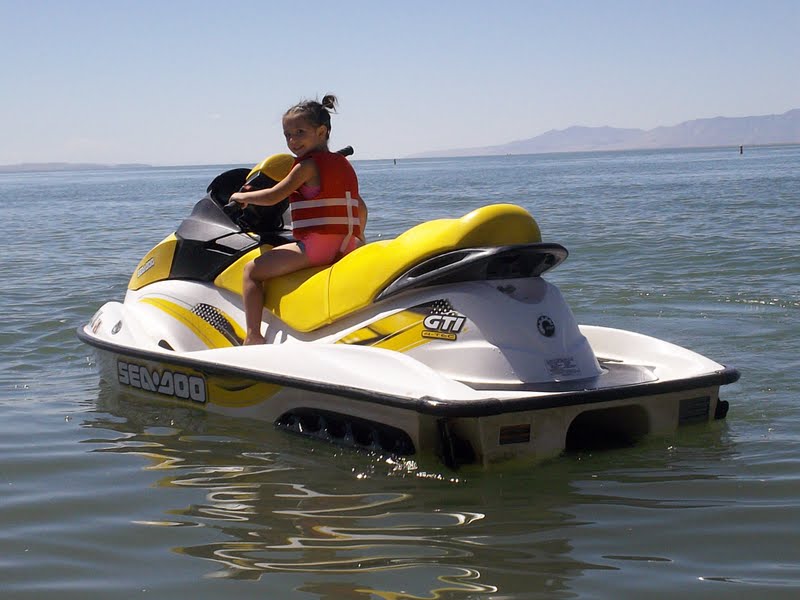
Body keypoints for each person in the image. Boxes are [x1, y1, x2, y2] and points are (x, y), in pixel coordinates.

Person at [229, 94, 367, 345]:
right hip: (348, 244)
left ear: (322, 131)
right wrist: (359, 236)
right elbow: (359, 207)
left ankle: (253, 336)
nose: (293, 141)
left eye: (300, 132)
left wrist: (241, 197)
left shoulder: (306, 167)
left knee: (252, 271)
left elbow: (274, 196)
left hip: (317, 248)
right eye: (287, 135)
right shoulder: (343, 165)